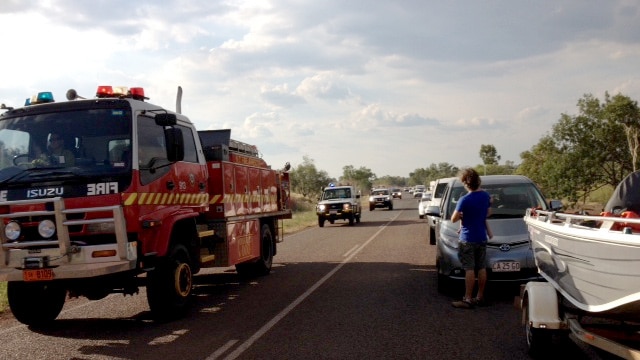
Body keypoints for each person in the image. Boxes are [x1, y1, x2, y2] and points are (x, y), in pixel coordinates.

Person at [451, 168, 493, 309]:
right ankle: (479, 297)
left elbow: (453, 219)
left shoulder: (465, 199)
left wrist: (462, 215)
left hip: (467, 238)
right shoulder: (486, 196)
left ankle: (467, 299)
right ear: (478, 180)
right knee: (481, 267)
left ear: (465, 183)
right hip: (481, 237)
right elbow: (488, 212)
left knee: (469, 269)